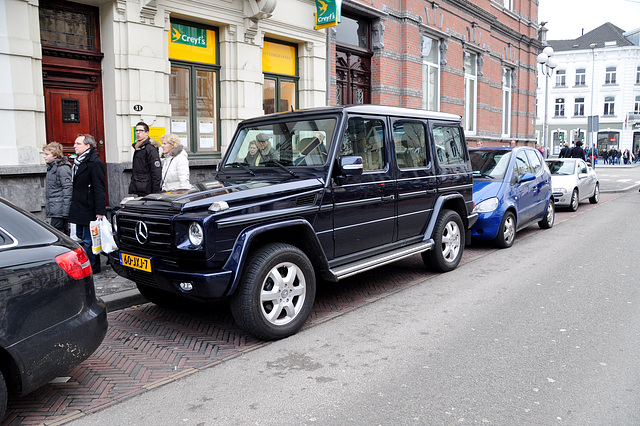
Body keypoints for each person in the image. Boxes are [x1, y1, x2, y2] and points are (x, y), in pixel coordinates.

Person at [68, 134, 106, 273]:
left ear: (87, 146)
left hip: (89, 207)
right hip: (79, 206)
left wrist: (100, 211)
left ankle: (93, 266)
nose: (74, 146)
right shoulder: (78, 162)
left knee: (89, 239)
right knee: (80, 235)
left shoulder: (95, 163)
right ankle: (88, 263)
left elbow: (99, 188)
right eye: (75, 143)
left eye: (78, 143)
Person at [43, 142, 72, 234]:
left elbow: (68, 189)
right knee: (60, 233)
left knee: (58, 233)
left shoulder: (62, 168)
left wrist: (65, 211)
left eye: (47, 154)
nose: (44, 156)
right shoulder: (51, 168)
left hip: (59, 210)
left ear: (55, 155)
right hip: (56, 208)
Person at [129, 122, 162, 196]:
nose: (138, 133)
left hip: (147, 188)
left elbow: (156, 171)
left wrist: (155, 192)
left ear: (147, 133)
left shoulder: (150, 148)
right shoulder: (138, 146)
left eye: (141, 131)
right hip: (140, 186)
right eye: (136, 131)